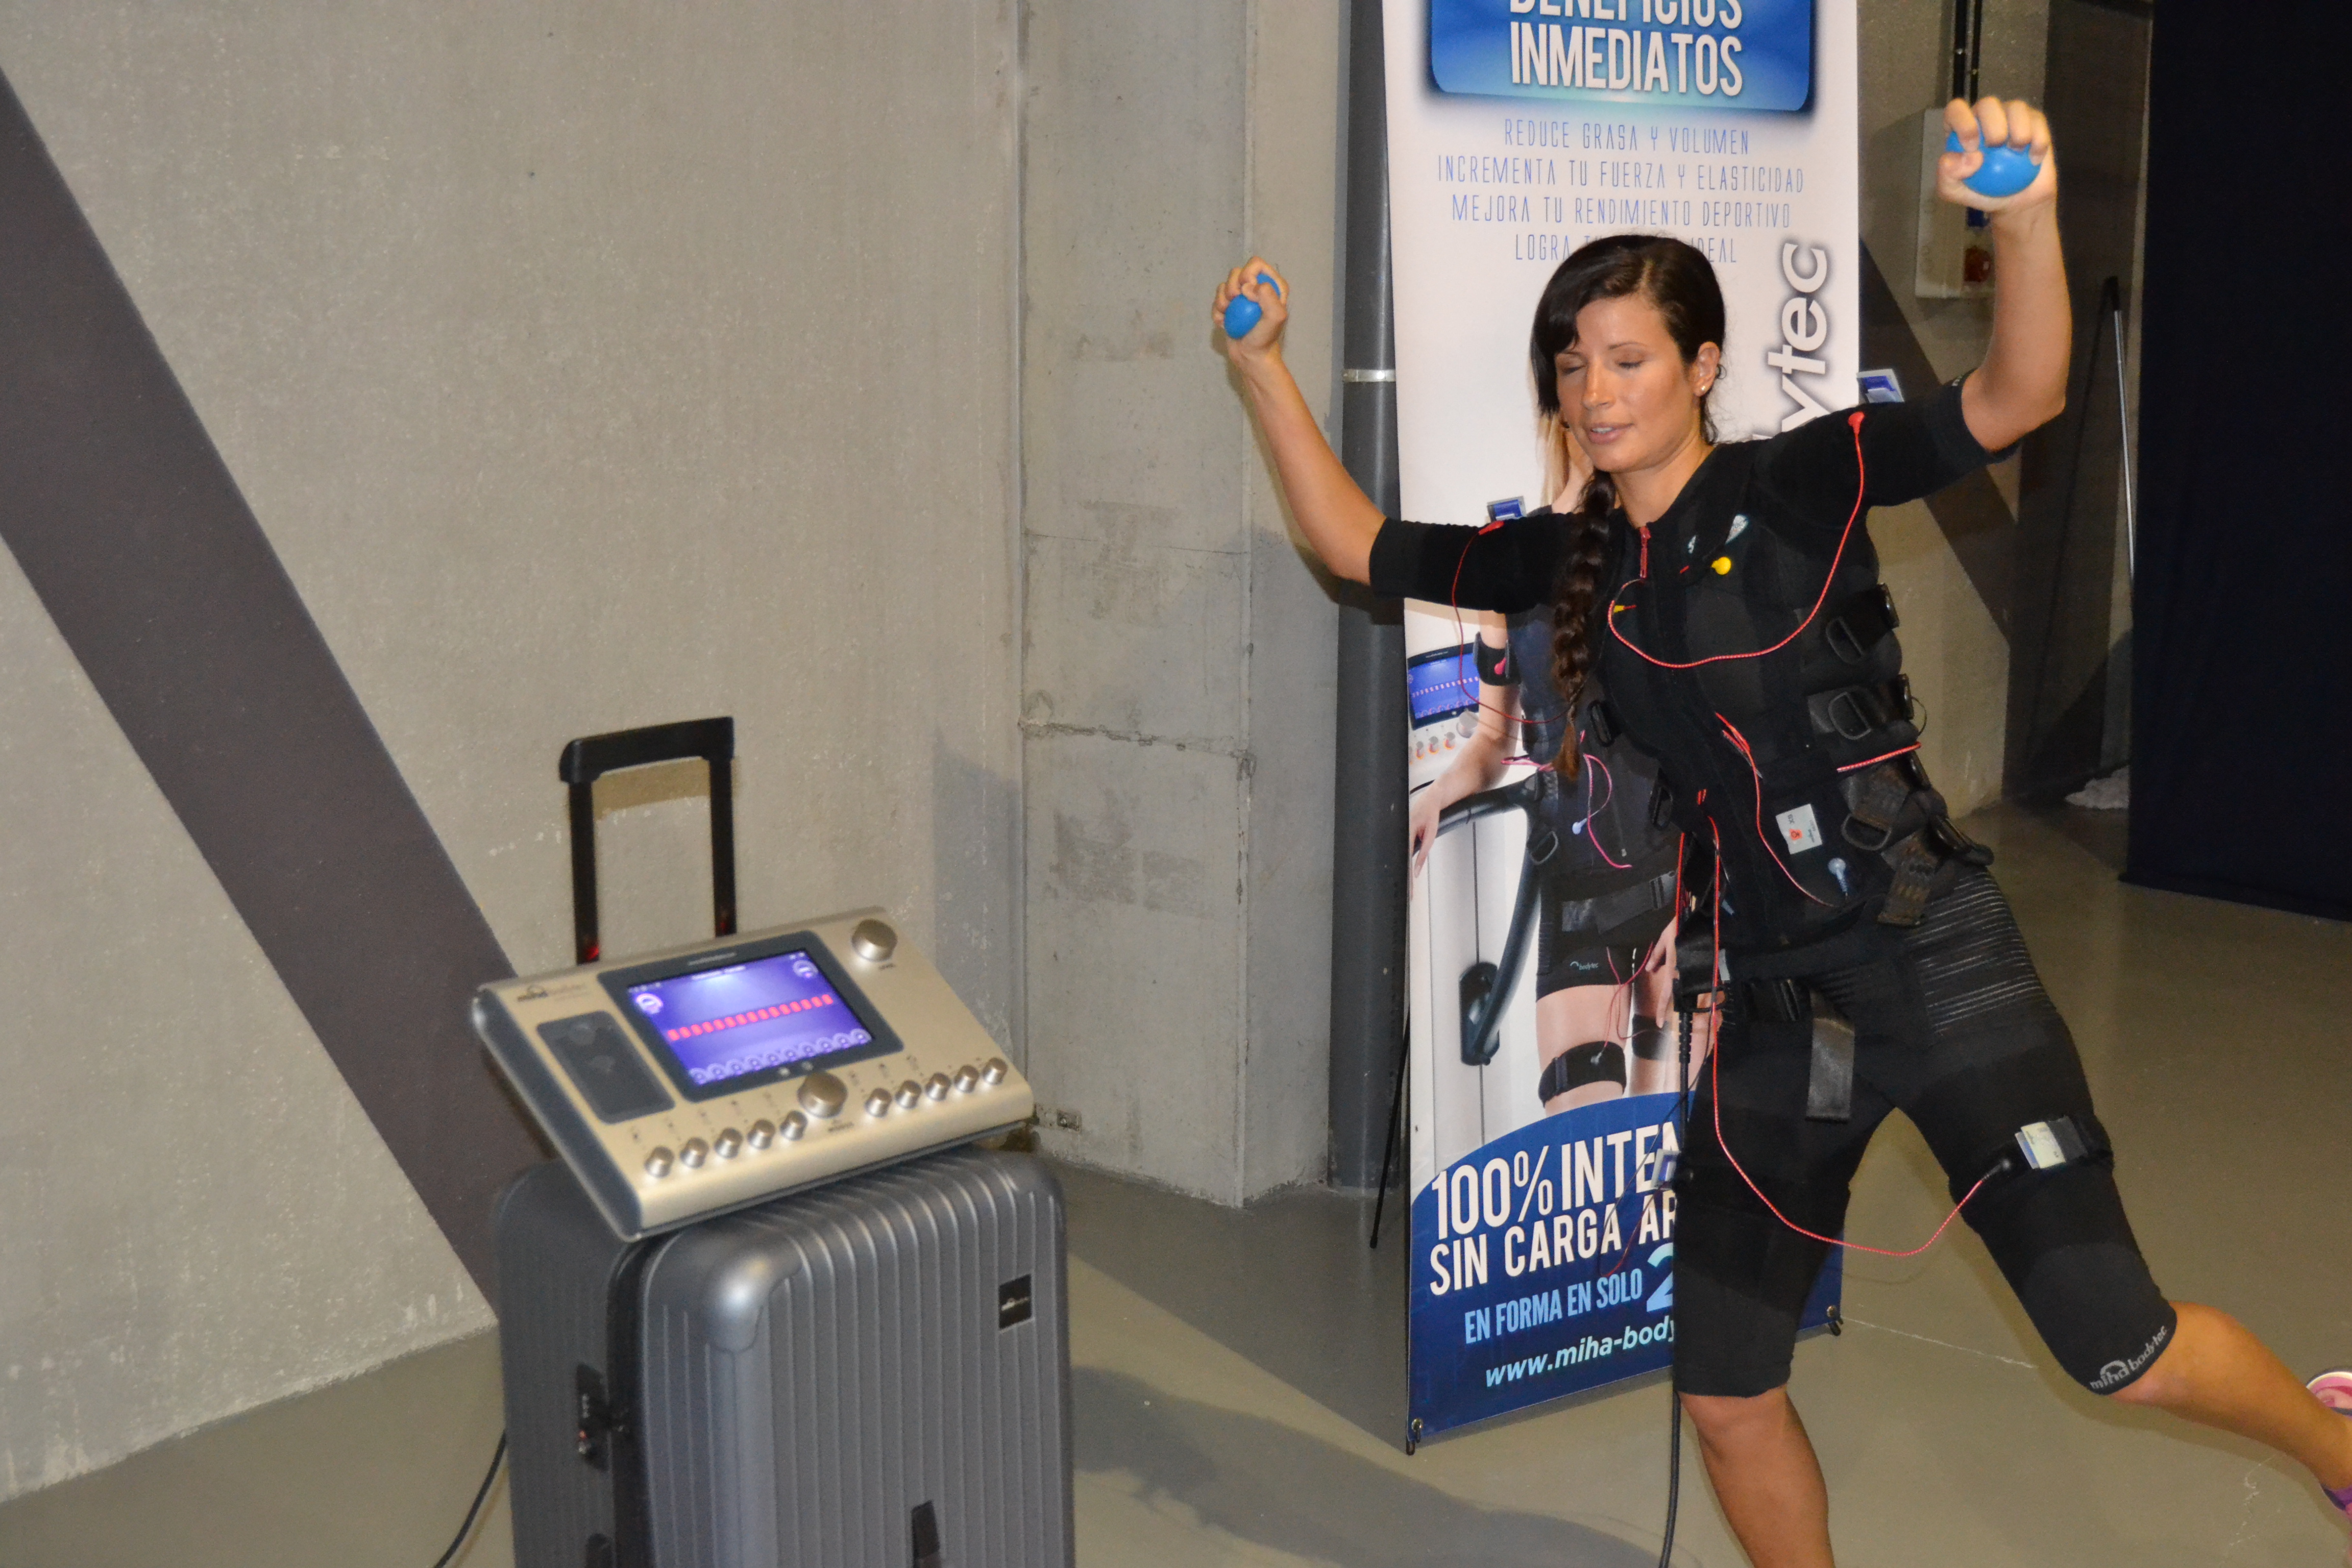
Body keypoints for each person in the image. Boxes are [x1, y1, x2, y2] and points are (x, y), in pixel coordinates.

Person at [1214, 95, 2352, 1565]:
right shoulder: (1570, 556)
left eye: (1629, 357)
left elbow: (2021, 395)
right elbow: (1354, 544)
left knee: (2113, 1345)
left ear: (1702, 366)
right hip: (1774, 1013)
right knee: (1728, 1390)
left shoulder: (1801, 482)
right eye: (1572, 362)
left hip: (1933, 961)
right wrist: (1262, 369)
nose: (1596, 388)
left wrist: (2021, 221)